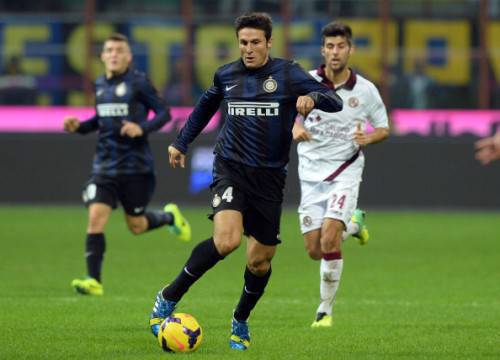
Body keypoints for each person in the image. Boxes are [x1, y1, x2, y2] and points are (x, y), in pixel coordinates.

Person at [149, 12, 343, 350]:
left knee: (260, 260)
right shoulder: (227, 74)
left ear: (269, 43)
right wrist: (181, 141)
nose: (248, 49)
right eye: (243, 43)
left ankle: (240, 320)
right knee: (226, 241)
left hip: (269, 179)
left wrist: (313, 99)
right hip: (230, 168)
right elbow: (205, 107)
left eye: (255, 42)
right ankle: (169, 296)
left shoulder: (288, 73)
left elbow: (334, 100)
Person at [63, 33, 191, 296]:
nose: (113, 54)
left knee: (137, 226)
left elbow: (166, 113)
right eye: (109, 50)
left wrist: (141, 128)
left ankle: (169, 216)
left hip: (136, 168)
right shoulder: (100, 84)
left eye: (119, 50)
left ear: (129, 56)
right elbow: (100, 121)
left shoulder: (138, 83)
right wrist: (79, 127)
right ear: (102, 56)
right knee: (96, 218)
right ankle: (93, 280)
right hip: (105, 167)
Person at [292, 22, 390, 328]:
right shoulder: (304, 82)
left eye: (341, 46)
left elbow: (384, 128)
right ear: (322, 50)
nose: (336, 52)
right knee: (314, 250)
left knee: (331, 236)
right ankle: (356, 224)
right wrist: (294, 126)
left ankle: (324, 311)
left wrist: (369, 139)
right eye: (330, 47)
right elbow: (284, 114)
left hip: (345, 169)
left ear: (351, 49)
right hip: (310, 173)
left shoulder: (366, 90)